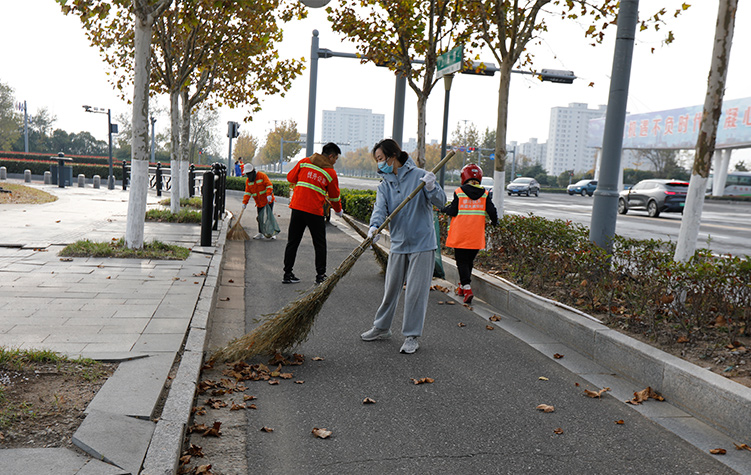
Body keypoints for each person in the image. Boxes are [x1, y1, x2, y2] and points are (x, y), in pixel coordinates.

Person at [361, 139, 446, 354]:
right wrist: (374, 227)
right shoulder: (385, 184)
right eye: (377, 160)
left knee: (415, 292)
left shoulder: (420, 176)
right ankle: (381, 327)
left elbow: (442, 202)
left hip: (422, 243)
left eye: (381, 159)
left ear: (393, 156)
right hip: (399, 243)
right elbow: (380, 209)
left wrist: (432, 187)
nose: (379, 164)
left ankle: (411, 336)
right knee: (391, 288)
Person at [283, 142, 343, 285]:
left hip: (297, 208)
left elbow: (290, 178)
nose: (335, 161)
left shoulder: (304, 162)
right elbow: (334, 196)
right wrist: (339, 210)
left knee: (293, 242)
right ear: (330, 156)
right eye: (335, 158)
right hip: (314, 211)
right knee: (319, 243)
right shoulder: (330, 173)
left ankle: (287, 274)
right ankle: (320, 276)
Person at [441, 163, 498, 304]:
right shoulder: (485, 194)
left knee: (461, 262)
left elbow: (453, 211)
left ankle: (467, 288)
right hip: (475, 235)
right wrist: (495, 222)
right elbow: (492, 211)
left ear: (463, 177)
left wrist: (443, 209)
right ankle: (461, 287)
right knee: (469, 261)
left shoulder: (459, 192)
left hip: (461, 234)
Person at [241, 163, 276, 240]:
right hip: (259, 202)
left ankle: (272, 233)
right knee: (260, 218)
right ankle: (261, 233)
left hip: (268, 200)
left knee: (269, 217)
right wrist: (244, 202)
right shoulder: (248, 181)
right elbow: (247, 192)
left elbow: (269, 185)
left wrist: (269, 194)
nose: (248, 176)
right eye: (247, 174)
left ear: (253, 171)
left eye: (249, 174)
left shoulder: (262, 176)